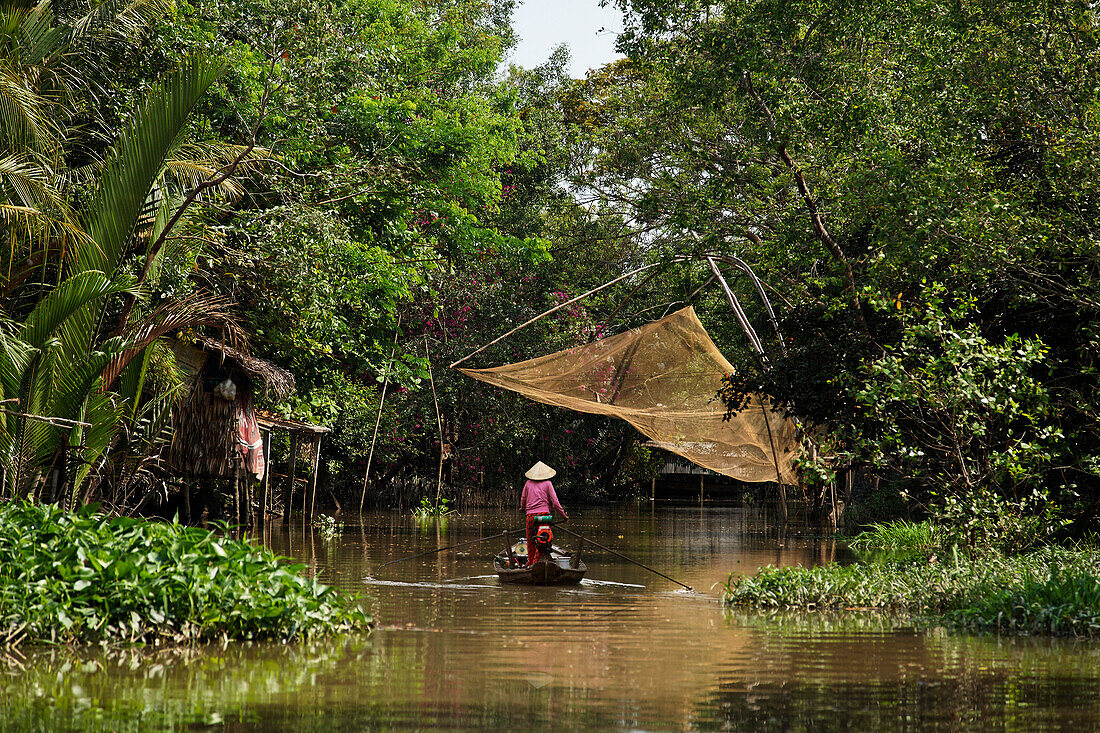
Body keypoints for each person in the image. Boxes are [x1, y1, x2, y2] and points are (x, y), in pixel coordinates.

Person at [520, 461, 568, 566]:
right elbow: (555, 502)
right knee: (543, 540)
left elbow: (523, 498)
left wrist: (522, 508)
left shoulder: (528, 483)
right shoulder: (548, 484)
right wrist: (563, 516)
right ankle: (535, 564)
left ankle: (531, 564)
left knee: (531, 541)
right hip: (544, 516)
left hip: (530, 517)